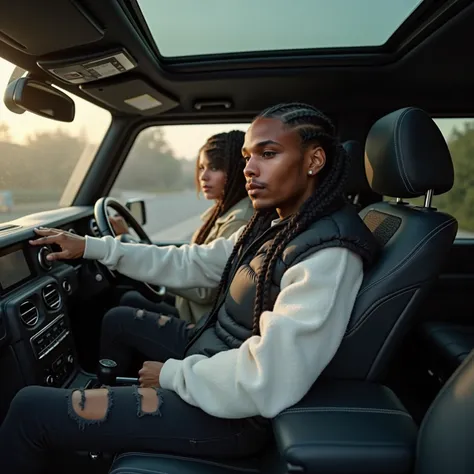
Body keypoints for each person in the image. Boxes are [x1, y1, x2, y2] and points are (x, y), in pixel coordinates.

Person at [0, 102, 379, 473]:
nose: (249, 168)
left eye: (268, 153)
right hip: (212, 366)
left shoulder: (329, 253)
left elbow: (269, 379)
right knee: (112, 327)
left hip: (231, 418)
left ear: (314, 161)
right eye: (247, 156)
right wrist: (90, 247)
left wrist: (172, 375)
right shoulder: (278, 226)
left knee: (29, 409)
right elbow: (191, 262)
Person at [111, 130, 254, 324]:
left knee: (117, 320)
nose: (203, 176)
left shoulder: (239, 221)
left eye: (214, 168)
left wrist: (130, 247)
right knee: (129, 299)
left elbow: (205, 291)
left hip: (203, 324)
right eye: (201, 167)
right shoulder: (222, 211)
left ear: (236, 170)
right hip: (192, 311)